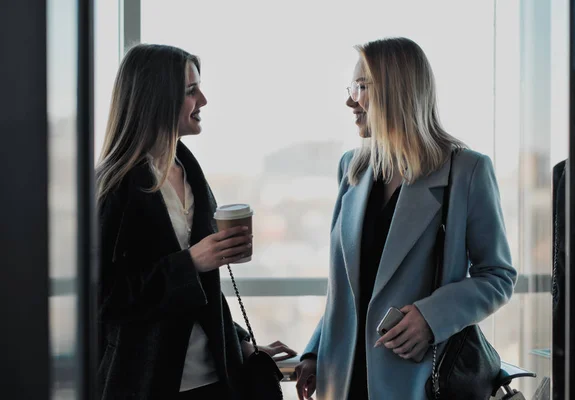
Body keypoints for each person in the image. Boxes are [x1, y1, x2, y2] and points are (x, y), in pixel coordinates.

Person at [294, 37, 517, 400]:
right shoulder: (351, 168)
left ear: (395, 92)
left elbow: (498, 275)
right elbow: (347, 289)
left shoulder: (467, 171)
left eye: (361, 88)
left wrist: (432, 317)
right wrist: (315, 350)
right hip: (342, 379)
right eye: (351, 87)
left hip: (417, 380)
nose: (350, 100)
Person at [96, 44, 295, 400]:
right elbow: (104, 297)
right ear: (156, 97)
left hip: (215, 379)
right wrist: (190, 262)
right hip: (146, 383)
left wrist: (240, 343)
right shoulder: (113, 187)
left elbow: (205, 291)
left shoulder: (190, 173)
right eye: (191, 91)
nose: (202, 99)